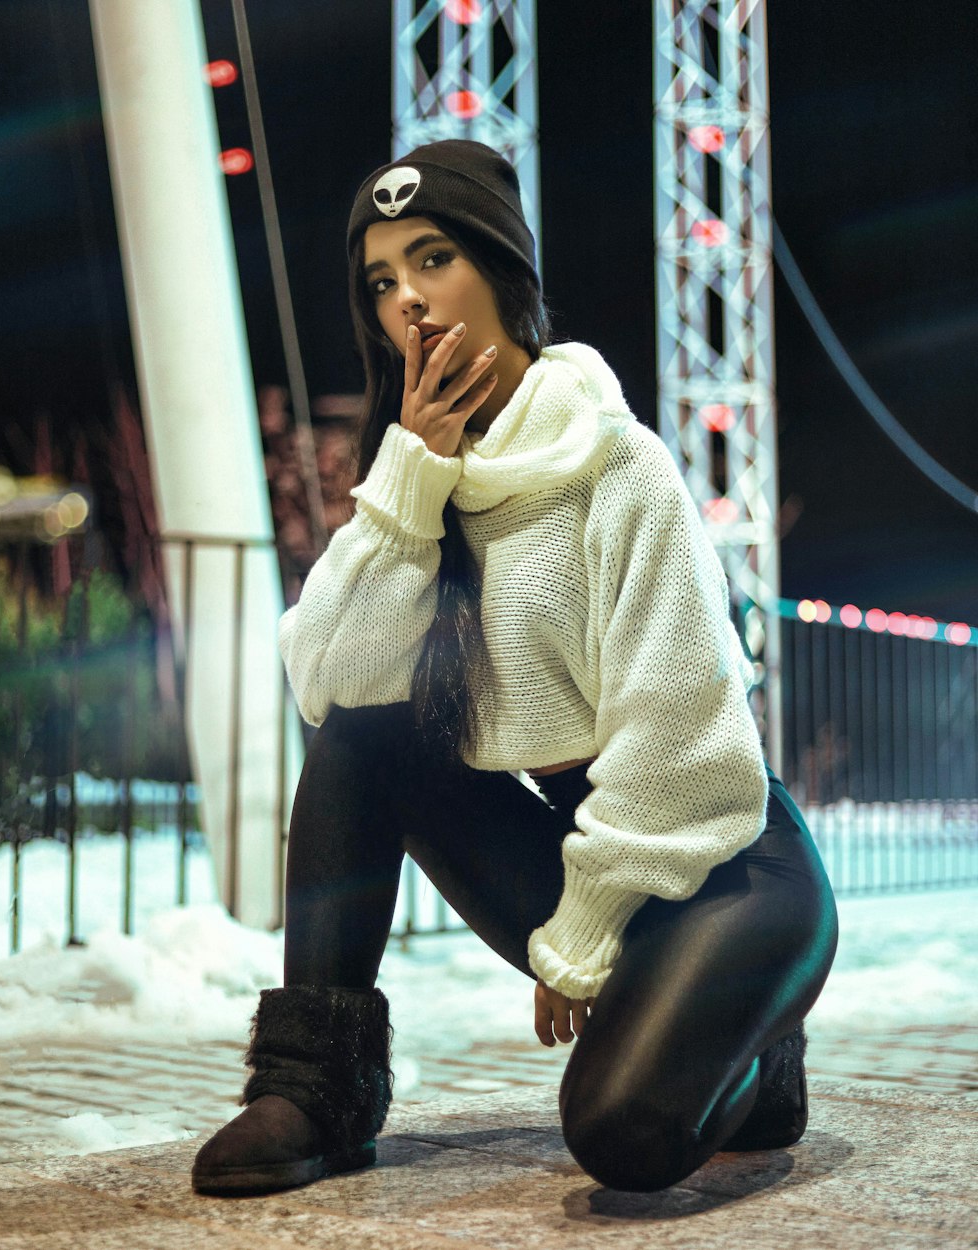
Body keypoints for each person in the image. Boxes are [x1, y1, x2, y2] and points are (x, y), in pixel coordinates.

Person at [191, 140, 839, 1198]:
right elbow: (325, 676)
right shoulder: (426, 471)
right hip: (587, 838)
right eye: (382, 280)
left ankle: (755, 1038)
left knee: (622, 1136)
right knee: (362, 731)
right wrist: (410, 478)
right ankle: (315, 1088)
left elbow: (682, 737)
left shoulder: (616, 461)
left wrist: (580, 936)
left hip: (723, 858)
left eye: (432, 256)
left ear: (499, 266)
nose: (408, 297)